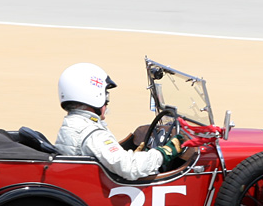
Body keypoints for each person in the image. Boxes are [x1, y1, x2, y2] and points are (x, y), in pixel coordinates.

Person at [54, 63, 185, 181]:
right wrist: (163, 153)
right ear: (93, 95)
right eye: (105, 95)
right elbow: (130, 168)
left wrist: (136, 156)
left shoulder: (71, 124)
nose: (107, 102)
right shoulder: (92, 133)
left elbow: (116, 160)